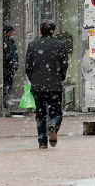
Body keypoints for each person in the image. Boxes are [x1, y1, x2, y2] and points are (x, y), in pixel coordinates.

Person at [25, 20, 69, 149]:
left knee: (40, 114)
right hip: (54, 85)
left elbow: (28, 67)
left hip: (38, 86)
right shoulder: (60, 45)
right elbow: (64, 64)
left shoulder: (33, 45)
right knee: (56, 112)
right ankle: (53, 126)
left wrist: (34, 79)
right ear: (53, 31)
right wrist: (60, 77)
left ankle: (42, 142)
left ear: (40, 31)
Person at [2, 25, 18, 109]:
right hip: (8, 67)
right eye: (11, 32)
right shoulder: (6, 42)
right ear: (8, 33)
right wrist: (12, 64)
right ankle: (6, 99)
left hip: (10, 67)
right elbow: (9, 56)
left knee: (8, 83)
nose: (13, 33)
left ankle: (6, 99)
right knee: (7, 83)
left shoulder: (10, 41)